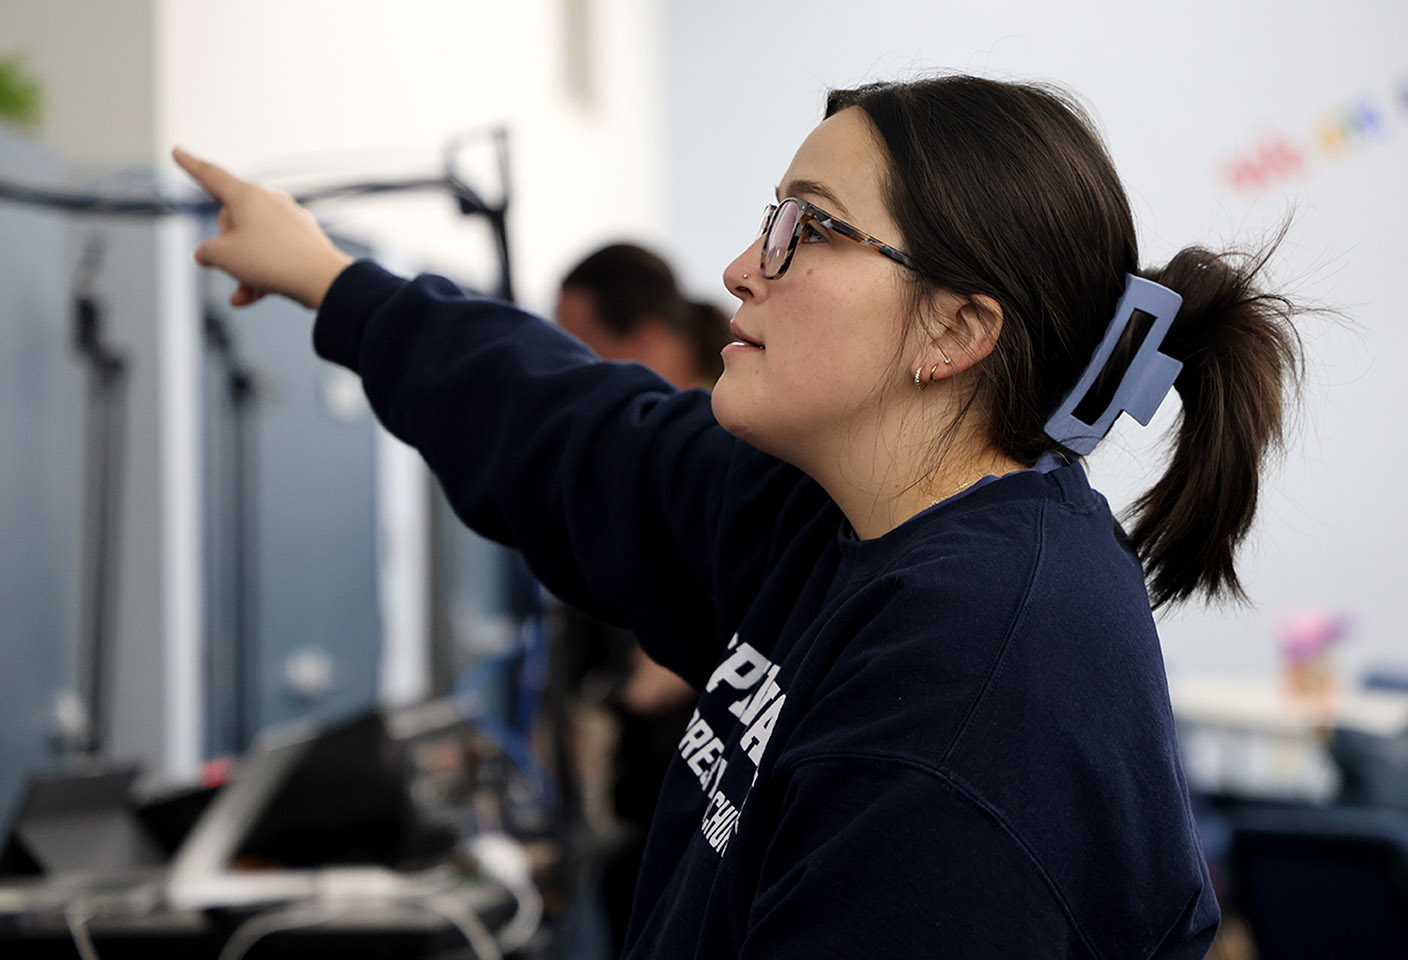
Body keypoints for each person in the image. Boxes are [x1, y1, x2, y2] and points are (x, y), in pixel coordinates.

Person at [173, 73, 1303, 958]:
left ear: (956, 331)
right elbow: (582, 433)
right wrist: (334, 279)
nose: (739, 268)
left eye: (805, 231)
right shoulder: (833, 516)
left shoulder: (975, 694)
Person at [553, 242, 731, 955]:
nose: (568, 372)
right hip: (627, 796)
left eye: (578, 347)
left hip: (691, 796)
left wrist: (691, 652)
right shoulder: (624, 457)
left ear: (649, 341)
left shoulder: (732, 452)